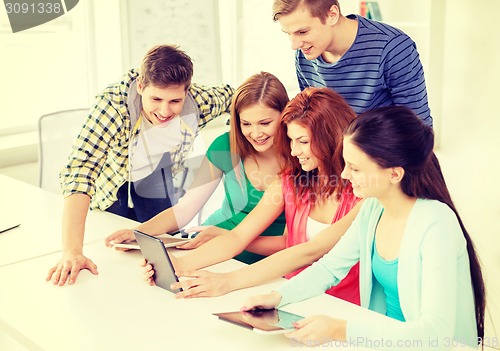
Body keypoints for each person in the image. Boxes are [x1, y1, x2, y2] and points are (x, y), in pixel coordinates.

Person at [242, 106, 485, 350]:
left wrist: (340, 330)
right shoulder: (373, 210)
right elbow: (329, 268)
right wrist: (278, 298)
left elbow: (435, 332)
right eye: (346, 164)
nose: (346, 175)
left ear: (394, 174)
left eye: (355, 168)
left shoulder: (437, 223)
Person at [145, 87, 363, 305]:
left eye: (303, 141)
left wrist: (227, 281)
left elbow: (310, 251)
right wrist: (180, 265)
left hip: (342, 304)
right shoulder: (290, 181)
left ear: (331, 136)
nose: (294, 151)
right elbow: (238, 237)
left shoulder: (364, 194)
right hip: (291, 294)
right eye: (291, 141)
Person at [46, 44, 234, 286]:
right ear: (140, 86)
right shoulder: (113, 107)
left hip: (159, 178)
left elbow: (237, 96)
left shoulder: (200, 101)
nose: (165, 111)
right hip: (117, 184)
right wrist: (71, 252)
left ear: (187, 92)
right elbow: (81, 169)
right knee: (115, 258)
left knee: (159, 261)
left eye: (175, 101)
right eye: (156, 98)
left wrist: (242, 133)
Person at [105, 71, 289, 265]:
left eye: (265, 123)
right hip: (212, 240)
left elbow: (293, 242)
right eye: (246, 124)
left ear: (285, 115)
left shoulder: (302, 157)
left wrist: (227, 237)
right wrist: (139, 233)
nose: (256, 133)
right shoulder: (226, 146)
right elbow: (185, 208)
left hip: (267, 255)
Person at [272, 0, 432, 126]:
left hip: (382, 160)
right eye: (289, 34)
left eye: (302, 32)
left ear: (332, 15)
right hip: (334, 160)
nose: (294, 45)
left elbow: (418, 129)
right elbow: (312, 121)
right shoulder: (304, 54)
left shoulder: (392, 47)